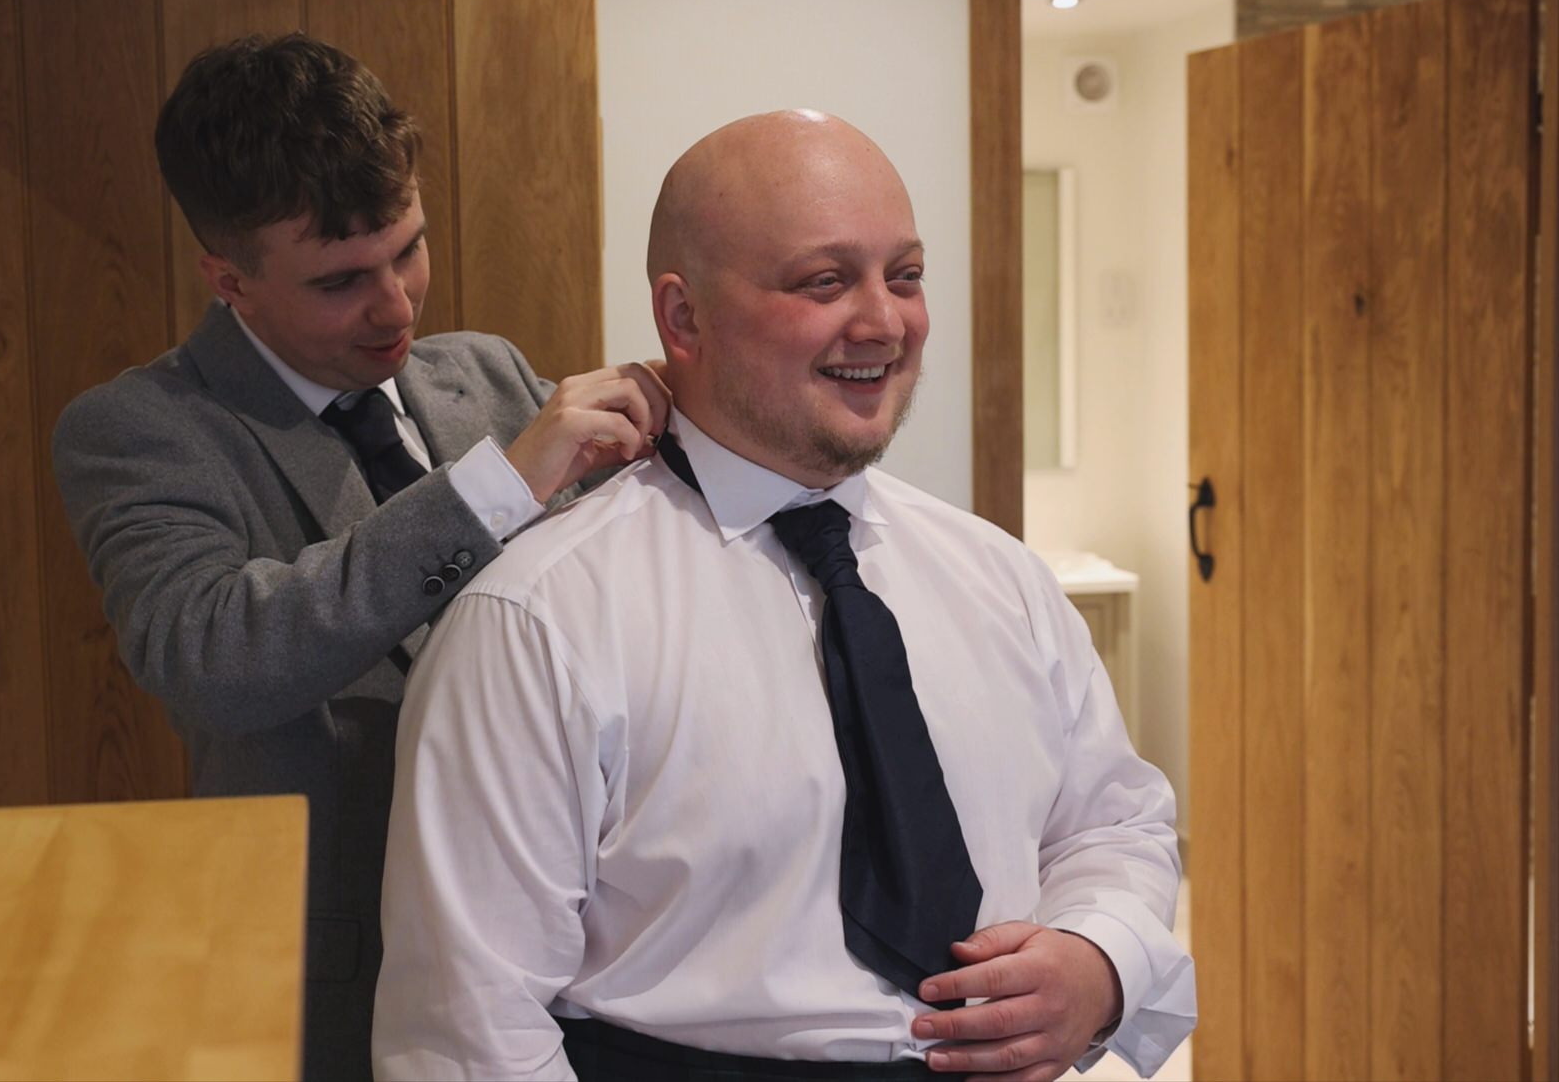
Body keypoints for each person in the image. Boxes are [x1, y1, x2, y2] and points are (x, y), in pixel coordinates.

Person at [372, 110, 1194, 1081]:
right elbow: (469, 1027)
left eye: (905, 275)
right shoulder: (539, 622)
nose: (884, 322)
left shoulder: (998, 578)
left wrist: (1099, 958)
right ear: (682, 319)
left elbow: (1112, 821)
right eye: (824, 281)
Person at [50, 34, 669, 1080]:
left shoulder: (490, 377)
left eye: (409, 248)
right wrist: (492, 490)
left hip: (584, 967)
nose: (396, 305)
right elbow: (214, 659)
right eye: (340, 280)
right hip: (331, 989)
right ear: (227, 278)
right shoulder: (139, 429)